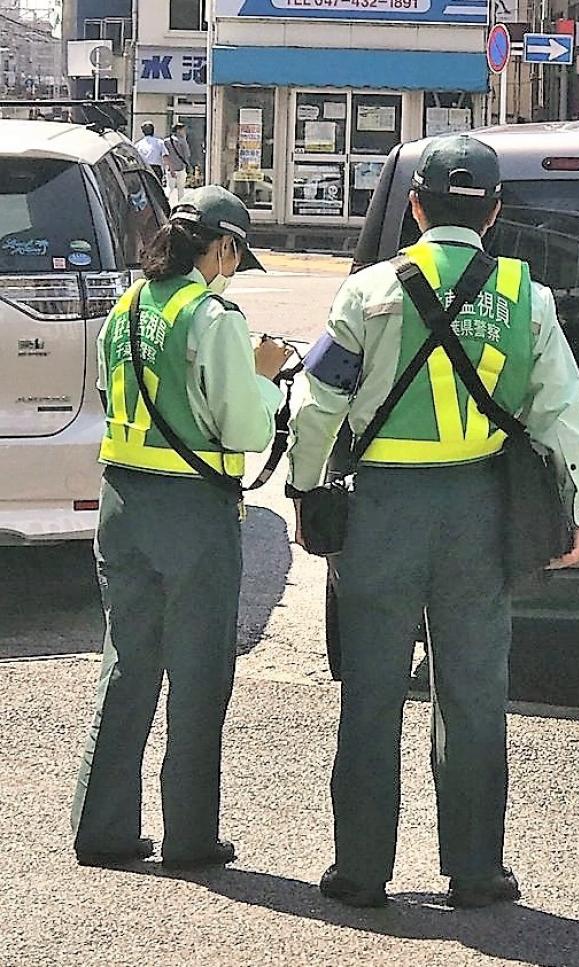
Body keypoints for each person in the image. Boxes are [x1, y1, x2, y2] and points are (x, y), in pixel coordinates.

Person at [287, 134, 579, 909]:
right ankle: (474, 870)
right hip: (477, 510)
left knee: (370, 690)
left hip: (382, 510)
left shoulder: (364, 292)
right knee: (471, 691)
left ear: (416, 206)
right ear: (492, 214)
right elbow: (561, 412)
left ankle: (360, 871)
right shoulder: (528, 296)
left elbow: (316, 402)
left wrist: (305, 491)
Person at [71, 186, 292, 870]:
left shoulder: (129, 304)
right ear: (221, 247)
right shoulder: (214, 316)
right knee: (198, 675)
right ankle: (189, 836)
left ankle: (102, 827)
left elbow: (115, 397)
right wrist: (265, 376)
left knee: (128, 665)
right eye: (234, 255)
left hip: (121, 500)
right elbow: (246, 428)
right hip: (192, 511)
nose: (232, 268)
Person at [163, 123, 192, 207]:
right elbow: (187, 154)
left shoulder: (166, 141)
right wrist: (188, 165)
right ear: (178, 130)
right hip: (180, 167)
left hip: (170, 168)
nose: (184, 132)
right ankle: (180, 204)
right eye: (183, 130)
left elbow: (164, 155)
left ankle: (165, 201)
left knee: (169, 187)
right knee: (180, 188)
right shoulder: (182, 141)